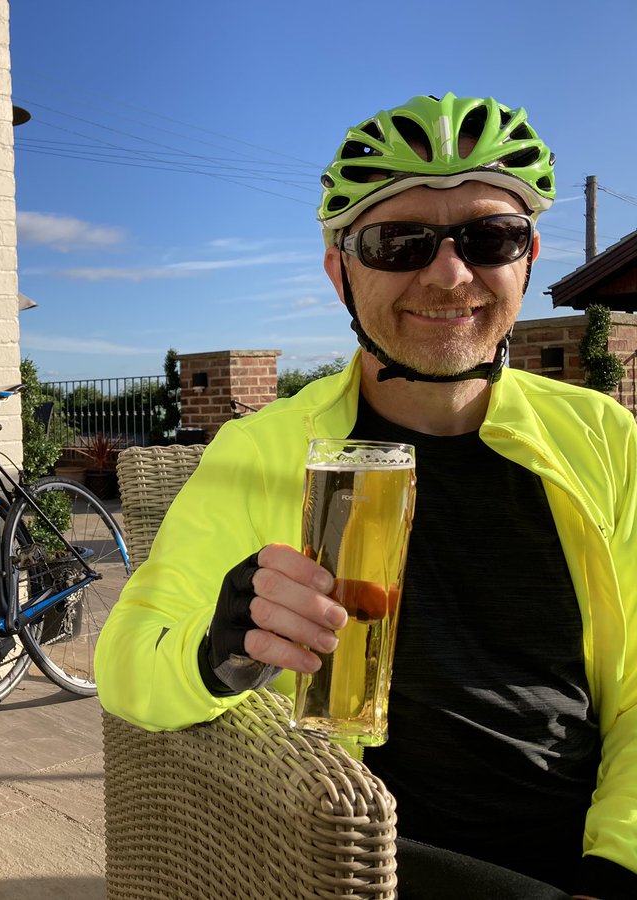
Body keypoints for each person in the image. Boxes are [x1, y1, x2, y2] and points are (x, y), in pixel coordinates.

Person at [95, 93, 637, 900]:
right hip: (370, 859)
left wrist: (617, 863)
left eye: (491, 237)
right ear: (338, 270)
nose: (449, 274)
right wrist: (219, 648)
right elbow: (126, 665)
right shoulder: (264, 450)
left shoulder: (601, 434)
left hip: (589, 849)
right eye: (399, 242)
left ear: (527, 258)